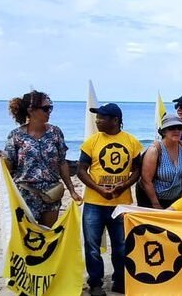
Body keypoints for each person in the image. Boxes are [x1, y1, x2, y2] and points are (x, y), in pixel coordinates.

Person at [77, 103, 142, 295]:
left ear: (115, 120)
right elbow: (81, 170)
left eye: (101, 117)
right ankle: (95, 283)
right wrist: (98, 189)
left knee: (122, 246)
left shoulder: (132, 141)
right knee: (92, 246)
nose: (97, 121)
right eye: (97, 118)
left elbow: (137, 169)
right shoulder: (92, 141)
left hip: (120, 205)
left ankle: (120, 281)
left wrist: (123, 185)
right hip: (94, 203)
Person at [0, 91, 81, 227]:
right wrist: (2, 159)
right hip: (26, 194)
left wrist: (71, 190)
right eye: (46, 108)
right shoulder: (16, 136)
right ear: (31, 110)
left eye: (50, 108)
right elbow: (10, 166)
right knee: (27, 238)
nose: (49, 112)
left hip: (51, 193)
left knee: (48, 235)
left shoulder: (55, 133)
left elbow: (62, 163)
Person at [137, 115, 182, 209]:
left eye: (179, 128)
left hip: (175, 199)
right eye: (172, 128)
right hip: (151, 200)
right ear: (164, 131)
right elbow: (146, 180)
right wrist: (156, 204)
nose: (177, 131)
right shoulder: (155, 150)